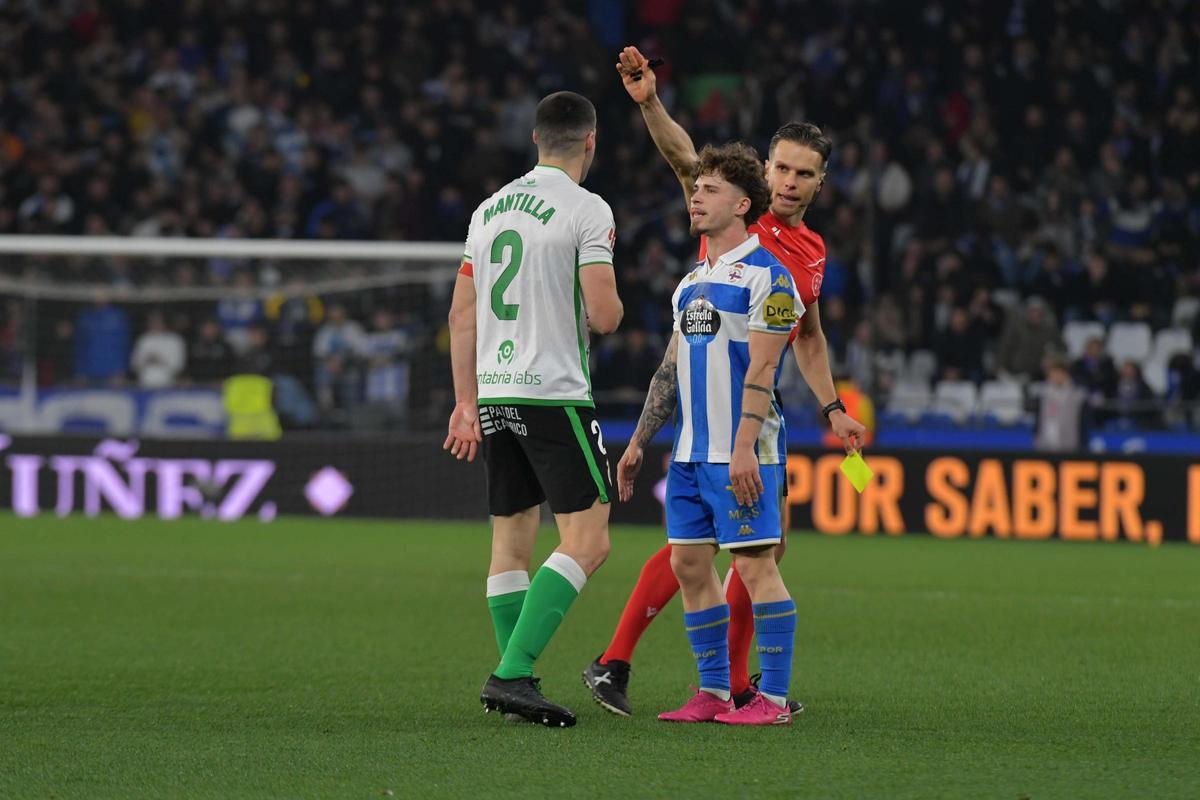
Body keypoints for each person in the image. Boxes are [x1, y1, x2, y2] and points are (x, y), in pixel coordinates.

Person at [583, 46, 866, 717]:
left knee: (747, 550)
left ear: (821, 183)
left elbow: (811, 338)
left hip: (758, 416)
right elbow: (688, 159)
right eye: (783, 169)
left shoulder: (812, 252)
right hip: (720, 415)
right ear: (763, 173)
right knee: (717, 550)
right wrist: (650, 101)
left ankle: (727, 685)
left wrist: (832, 407)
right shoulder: (742, 218)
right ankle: (650, 666)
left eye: (805, 174)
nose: (791, 182)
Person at [444, 91, 623, 728]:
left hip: (494, 391)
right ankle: (513, 673)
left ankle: (516, 679)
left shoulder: (488, 211)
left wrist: (465, 401)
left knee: (510, 542)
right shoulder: (587, 209)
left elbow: (460, 314)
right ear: (591, 142)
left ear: (535, 139)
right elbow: (603, 316)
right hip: (552, 392)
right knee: (590, 540)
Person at [617, 141, 801, 725]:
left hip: (742, 453)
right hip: (691, 456)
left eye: (711, 189)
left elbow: (767, 369)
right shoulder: (690, 282)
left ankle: (770, 699)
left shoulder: (770, 276)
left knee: (754, 567)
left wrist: (745, 446)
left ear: (744, 203)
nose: (696, 195)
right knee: (691, 568)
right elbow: (670, 368)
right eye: (695, 188)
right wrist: (640, 440)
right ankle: (714, 692)